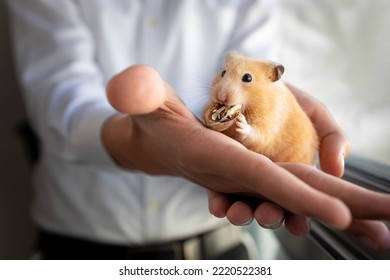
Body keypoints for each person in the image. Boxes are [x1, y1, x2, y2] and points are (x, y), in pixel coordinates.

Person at [5, 0, 390, 259]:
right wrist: (143, 141)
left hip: (218, 249)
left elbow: (257, 83)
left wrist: (247, 128)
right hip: (77, 244)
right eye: (222, 75)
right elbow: (58, 100)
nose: (222, 86)